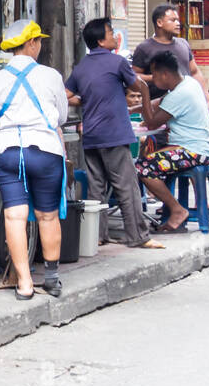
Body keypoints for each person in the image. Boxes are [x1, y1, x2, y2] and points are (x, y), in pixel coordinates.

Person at [0, 19, 70, 299]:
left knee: (14, 216)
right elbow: (63, 117)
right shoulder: (51, 76)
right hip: (45, 151)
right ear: (30, 43)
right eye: (39, 41)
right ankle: (52, 279)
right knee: (47, 215)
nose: (40, 45)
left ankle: (25, 284)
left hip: (8, 152)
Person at [64, 18, 163, 250]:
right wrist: (147, 108)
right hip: (114, 133)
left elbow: (66, 95)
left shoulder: (81, 67)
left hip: (90, 136)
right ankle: (138, 236)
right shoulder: (117, 62)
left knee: (97, 187)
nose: (114, 36)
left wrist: (86, 100)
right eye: (110, 33)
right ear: (100, 40)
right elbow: (139, 86)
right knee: (126, 186)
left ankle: (98, 236)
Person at [135, 51, 209, 233]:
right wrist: (133, 107)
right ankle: (171, 206)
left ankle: (177, 210)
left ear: (164, 75)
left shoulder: (180, 94)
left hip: (193, 151)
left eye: (154, 76)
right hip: (198, 148)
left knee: (143, 167)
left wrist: (145, 92)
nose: (153, 80)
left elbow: (151, 122)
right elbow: (160, 102)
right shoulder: (188, 83)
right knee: (152, 158)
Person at [131, 3, 209, 122]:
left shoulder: (183, 44)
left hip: (186, 109)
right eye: (173, 20)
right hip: (158, 108)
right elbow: (134, 76)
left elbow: (195, 72)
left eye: (178, 20)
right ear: (159, 23)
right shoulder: (144, 48)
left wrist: (207, 101)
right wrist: (154, 78)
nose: (178, 23)